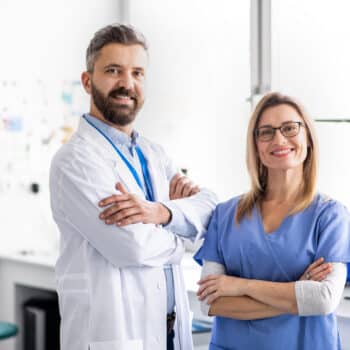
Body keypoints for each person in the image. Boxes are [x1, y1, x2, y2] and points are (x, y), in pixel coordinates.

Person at [49, 24, 217, 350]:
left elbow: (211, 211)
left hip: (167, 332)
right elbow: (132, 247)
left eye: (137, 73)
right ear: (87, 81)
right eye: (114, 70)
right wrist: (182, 231)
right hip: (114, 335)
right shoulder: (75, 161)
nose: (127, 83)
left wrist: (160, 213)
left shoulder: (154, 153)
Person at [194, 92, 350, 350]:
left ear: (308, 137)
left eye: (289, 128)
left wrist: (238, 285)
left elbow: (322, 299)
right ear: (255, 145)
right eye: (266, 132)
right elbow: (209, 302)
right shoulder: (225, 215)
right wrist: (295, 293)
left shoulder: (331, 217)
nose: (279, 139)